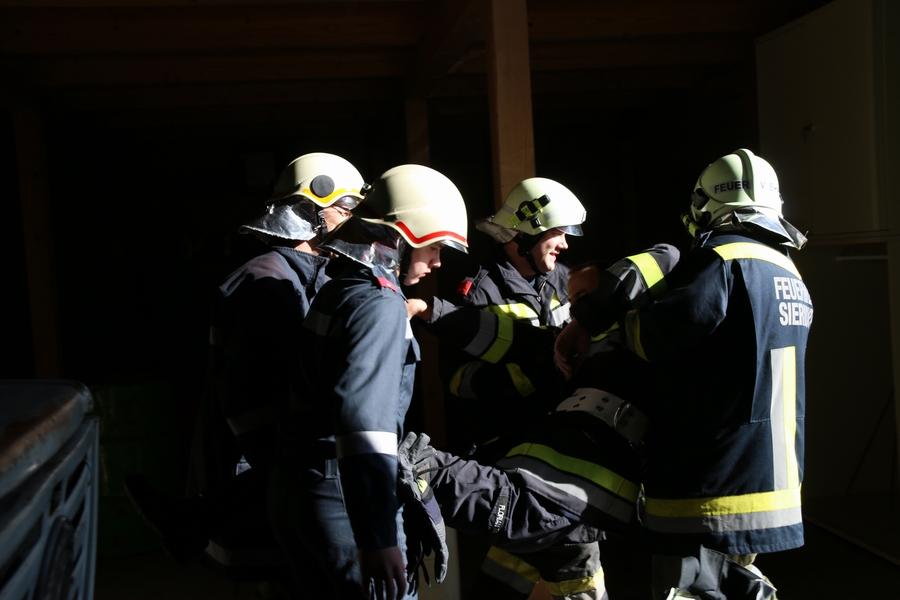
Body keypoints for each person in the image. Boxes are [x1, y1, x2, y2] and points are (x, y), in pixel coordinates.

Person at [558, 148, 810, 600]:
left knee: (687, 589)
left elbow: (657, 338)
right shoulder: (788, 271)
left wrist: (614, 324)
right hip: (771, 480)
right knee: (731, 585)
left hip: (710, 483)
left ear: (705, 205)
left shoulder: (721, 258)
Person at [123, 153, 365, 582]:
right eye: (346, 209)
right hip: (262, 485)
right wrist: (286, 474)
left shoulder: (308, 276)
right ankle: (190, 521)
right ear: (309, 211)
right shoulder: (267, 282)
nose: (354, 221)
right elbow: (253, 396)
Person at [414, 244, 679, 600]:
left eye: (586, 298)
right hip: (552, 482)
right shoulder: (569, 346)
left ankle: (419, 467)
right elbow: (510, 337)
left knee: (523, 528)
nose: (577, 310)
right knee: (518, 577)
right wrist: (431, 310)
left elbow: (668, 255)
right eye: (573, 303)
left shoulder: (641, 332)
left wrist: (587, 320)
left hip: (582, 489)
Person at [266, 164, 469, 600]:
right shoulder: (379, 304)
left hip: (300, 488)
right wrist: (377, 536)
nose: (437, 263)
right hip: (344, 498)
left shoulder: (341, 288)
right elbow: (365, 425)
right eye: (435, 247)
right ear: (403, 236)